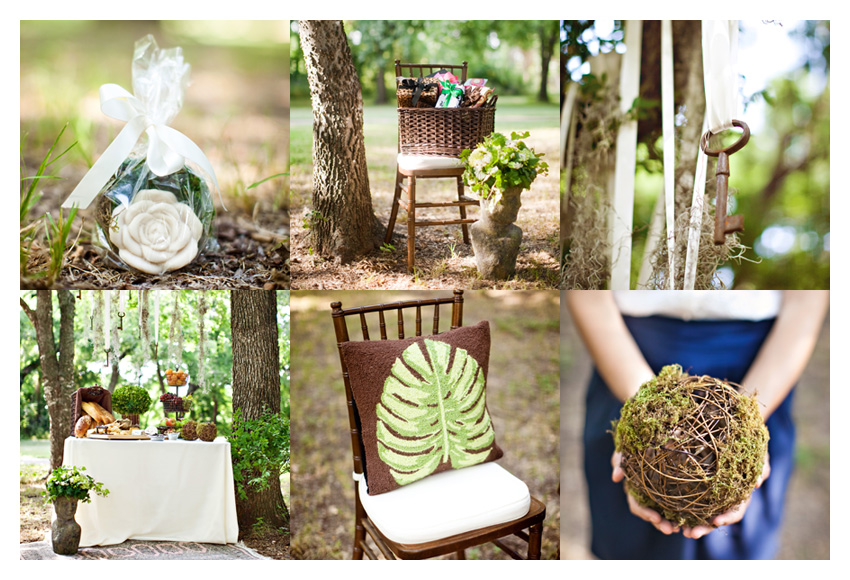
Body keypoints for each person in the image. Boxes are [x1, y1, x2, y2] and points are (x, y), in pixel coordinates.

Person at [567, 290, 829, 559]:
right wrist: (645, 416)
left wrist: (744, 425)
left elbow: (807, 299)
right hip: (624, 358)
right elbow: (587, 291)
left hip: (761, 369)